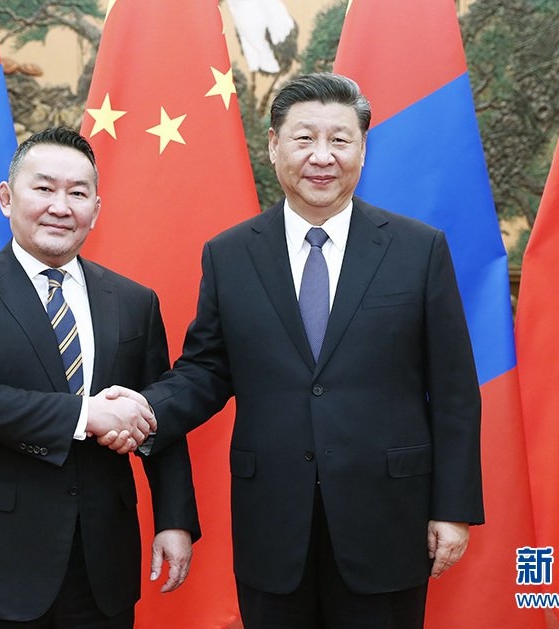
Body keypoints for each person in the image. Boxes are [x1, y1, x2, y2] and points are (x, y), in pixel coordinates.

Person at [105, 73, 484, 627]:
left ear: (363, 149)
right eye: (304, 138)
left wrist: (453, 509)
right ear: (273, 145)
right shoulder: (231, 255)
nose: (322, 157)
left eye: (340, 140)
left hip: (388, 519)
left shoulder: (418, 249)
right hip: (273, 522)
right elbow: (207, 370)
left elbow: (453, 390)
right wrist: (143, 410)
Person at [0, 127, 200, 628]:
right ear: (7, 198)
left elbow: (156, 414)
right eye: (43, 188)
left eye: (78, 193)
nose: (60, 207)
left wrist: (174, 520)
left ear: (96, 209)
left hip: (101, 566)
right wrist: (88, 415)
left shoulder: (134, 302)